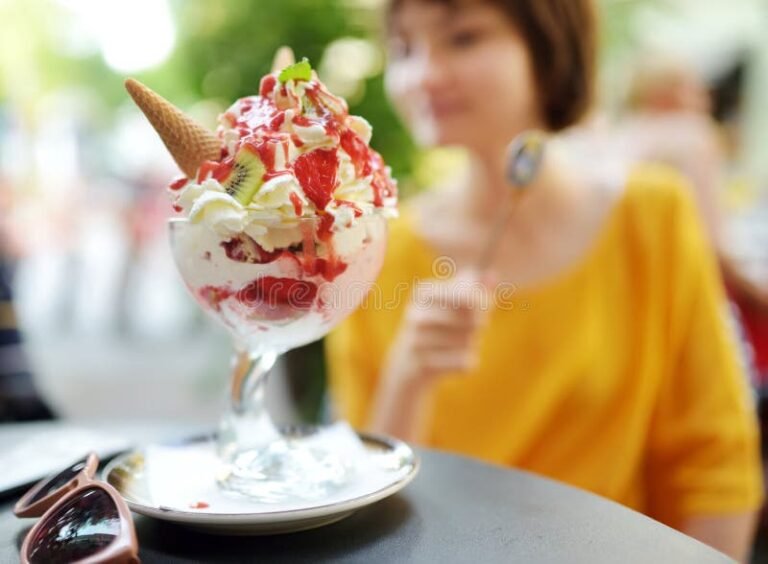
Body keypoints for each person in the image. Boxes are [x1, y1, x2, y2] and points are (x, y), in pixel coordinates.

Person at [325, 0, 764, 560]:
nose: (423, 75)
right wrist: (408, 379)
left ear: (548, 48)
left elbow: (714, 463)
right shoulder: (370, 251)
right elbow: (359, 507)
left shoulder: (652, 217)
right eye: (406, 48)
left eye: (463, 37)